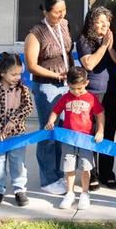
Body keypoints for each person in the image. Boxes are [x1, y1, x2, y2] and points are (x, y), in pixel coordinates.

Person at [24, 0, 73, 195]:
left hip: (65, 85)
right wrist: (56, 75)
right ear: (45, 12)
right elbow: (32, 65)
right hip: (47, 86)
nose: (61, 15)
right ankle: (48, 178)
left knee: (61, 131)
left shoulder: (64, 24)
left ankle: (58, 173)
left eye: (63, 10)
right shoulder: (35, 33)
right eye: (56, 12)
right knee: (49, 129)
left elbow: (67, 51)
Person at [44, 67, 104, 210]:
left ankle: (84, 193)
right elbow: (55, 110)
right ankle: (70, 193)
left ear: (86, 83)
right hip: (68, 139)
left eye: (79, 88)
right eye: (72, 88)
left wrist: (100, 130)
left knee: (85, 167)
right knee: (69, 167)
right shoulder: (65, 97)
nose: (76, 92)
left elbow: (100, 114)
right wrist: (51, 121)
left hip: (85, 140)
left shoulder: (91, 98)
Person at [78, 6, 116, 191]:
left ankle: (107, 173)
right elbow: (89, 64)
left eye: (107, 21)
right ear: (91, 22)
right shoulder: (84, 40)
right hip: (92, 92)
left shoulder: (113, 38)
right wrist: (104, 45)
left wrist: (111, 47)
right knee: (92, 133)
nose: (105, 24)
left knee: (109, 133)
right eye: (100, 21)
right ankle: (92, 174)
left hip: (112, 90)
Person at [0, 52, 34, 210]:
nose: (17, 77)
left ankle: (19, 189)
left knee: (17, 163)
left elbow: (28, 107)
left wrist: (14, 120)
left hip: (17, 135)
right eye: (13, 74)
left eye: (19, 74)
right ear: (2, 73)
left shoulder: (22, 89)